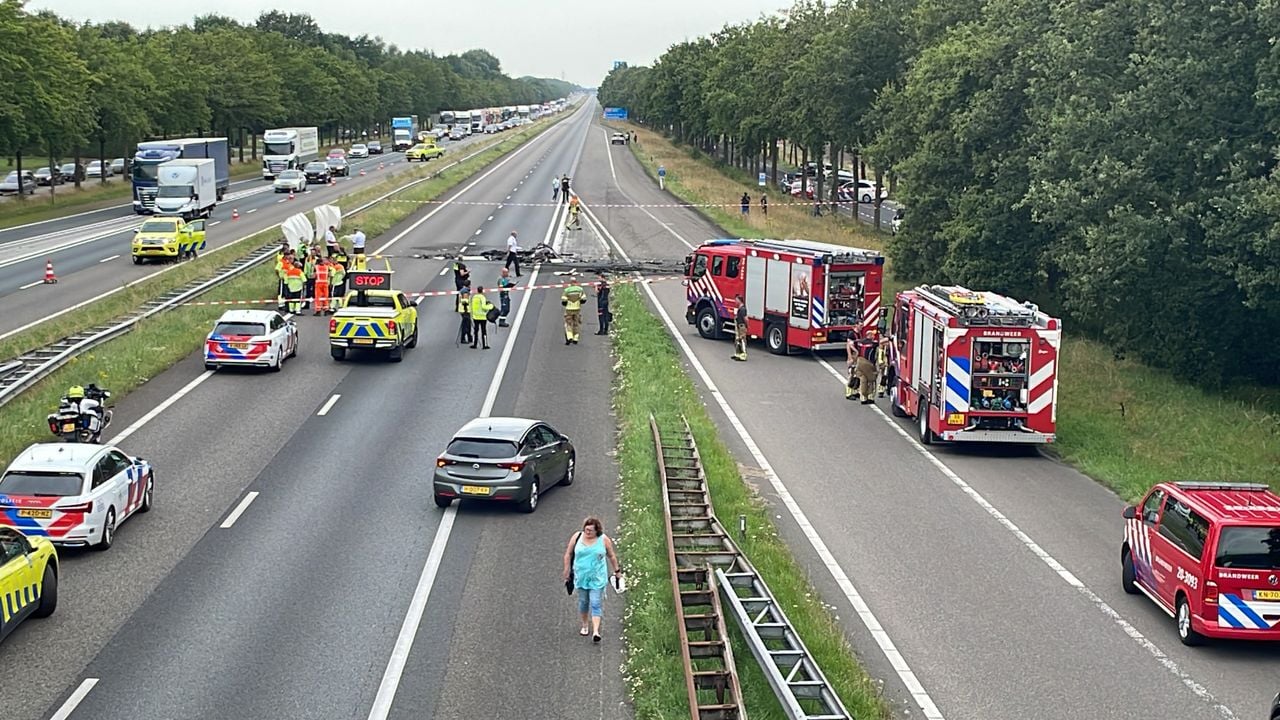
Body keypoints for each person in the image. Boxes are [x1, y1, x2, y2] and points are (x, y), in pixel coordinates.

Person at [562, 516, 621, 643]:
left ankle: (596, 631)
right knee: (583, 602)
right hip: (581, 577)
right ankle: (584, 625)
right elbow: (568, 553)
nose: (587, 532)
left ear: (597, 531)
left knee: (595, 603)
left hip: (597, 578)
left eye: (590, 531)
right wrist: (567, 569)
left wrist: (617, 571)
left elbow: (611, 555)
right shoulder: (577, 537)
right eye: (586, 530)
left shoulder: (603, 540)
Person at [562, 280, 585, 345]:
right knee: (576, 323)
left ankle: (569, 337)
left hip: (569, 309)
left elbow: (564, 299)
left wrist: (565, 303)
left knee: (568, 323)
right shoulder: (580, 289)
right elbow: (583, 299)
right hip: (577, 308)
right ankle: (576, 338)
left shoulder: (567, 290)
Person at [731, 295, 748, 361]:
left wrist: (746, 326)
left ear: (739, 300)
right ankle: (738, 354)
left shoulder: (743, 309)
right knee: (738, 340)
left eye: (736, 300)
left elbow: (746, 319)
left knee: (742, 340)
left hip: (742, 326)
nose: (735, 301)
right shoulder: (740, 309)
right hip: (739, 326)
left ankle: (743, 355)